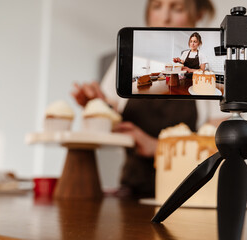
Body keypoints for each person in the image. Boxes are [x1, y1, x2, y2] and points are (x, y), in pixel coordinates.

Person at [72, 0, 216, 198]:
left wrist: (156, 147)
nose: (164, 17)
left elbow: (220, 145)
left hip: (191, 194)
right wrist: (97, 106)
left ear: (198, 15)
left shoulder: (209, 66)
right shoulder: (131, 58)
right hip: (133, 191)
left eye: (177, 8)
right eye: (157, 6)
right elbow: (111, 119)